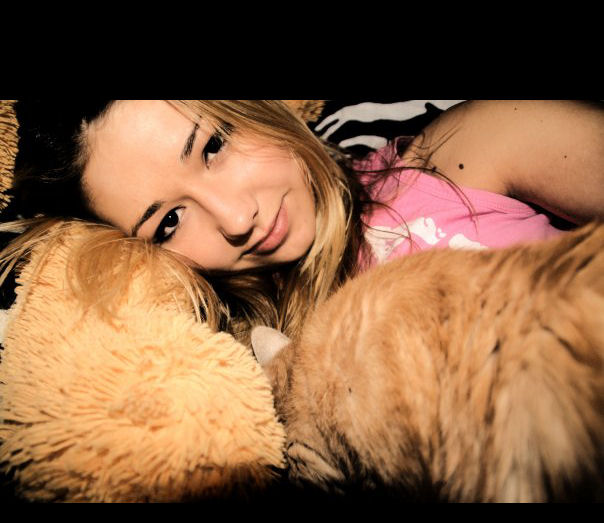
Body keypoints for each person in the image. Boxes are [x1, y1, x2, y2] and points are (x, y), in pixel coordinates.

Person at [1, 99, 603, 344]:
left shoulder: (476, 150)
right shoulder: (248, 366)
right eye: (169, 222)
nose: (237, 218)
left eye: (213, 147)